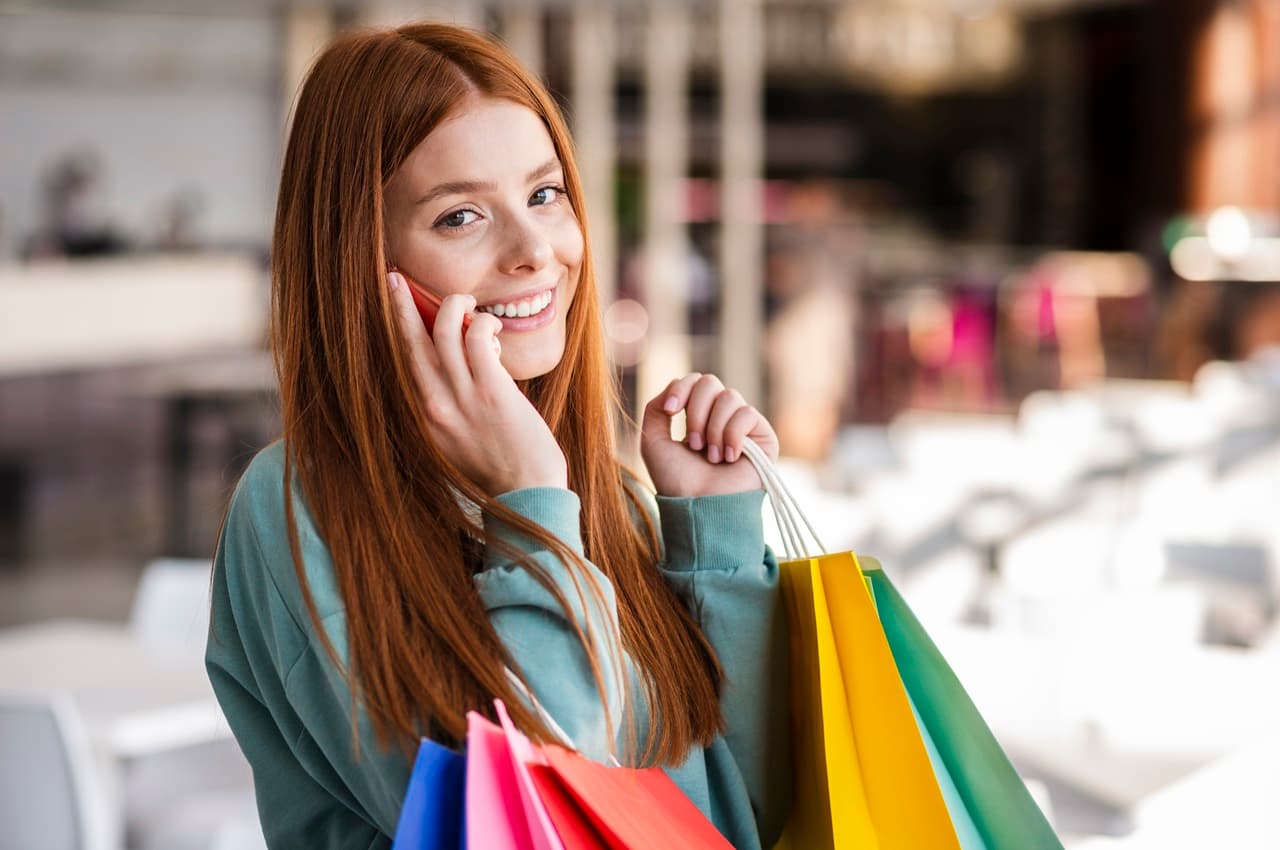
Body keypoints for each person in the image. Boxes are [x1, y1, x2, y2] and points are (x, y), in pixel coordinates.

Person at [205, 23, 789, 850]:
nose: (534, 252)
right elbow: (522, 818)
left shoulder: (604, 493)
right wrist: (531, 510)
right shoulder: (298, 506)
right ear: (359, 260)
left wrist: (717, 544)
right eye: (461, 216)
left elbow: (753, 809)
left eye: (544, 195)